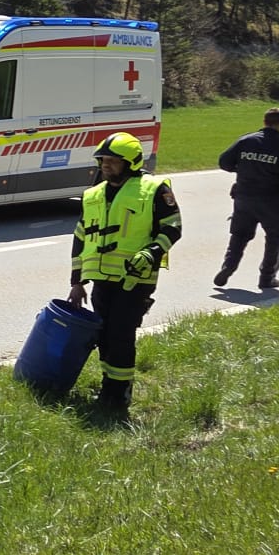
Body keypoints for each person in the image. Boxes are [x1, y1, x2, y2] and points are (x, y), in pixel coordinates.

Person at [67, 132, 184, 415]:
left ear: (131, 163)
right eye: (103, 160)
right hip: (102, 280)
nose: (106, 165)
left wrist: (151, 253)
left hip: (135, 279)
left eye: (113, 161)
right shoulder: (94, 194)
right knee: (104, 335)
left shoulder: (153, 189)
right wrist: (77, 282)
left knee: (121, 334)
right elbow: (81, 237)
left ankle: (119, 396)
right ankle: (108, 387)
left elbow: (173, 227)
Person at [214, 106, 279, 292]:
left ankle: (228, 267)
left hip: (244, 197)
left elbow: (224, 162)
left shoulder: (246, 140)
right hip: (272, 201)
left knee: (239, 235)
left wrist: (244, 169)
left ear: (264, 122)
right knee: (276, 236)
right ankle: (267, 277)